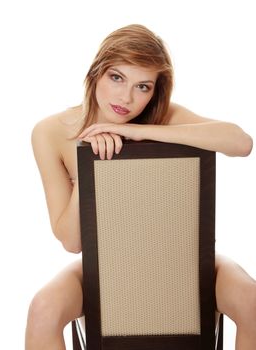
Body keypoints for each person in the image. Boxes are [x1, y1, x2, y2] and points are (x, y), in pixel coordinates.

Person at [25, 24, 255, 349]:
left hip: (183, 256)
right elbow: (72, 241)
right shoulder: (48, 133)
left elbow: (240, 143)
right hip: (105, 262)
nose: (126, 98)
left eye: (143, 86)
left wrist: (141, 133)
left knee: (250, 300)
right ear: (96, 73)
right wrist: (90, 161)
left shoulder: (162, 117)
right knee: (43, 309)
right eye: (116, 78)